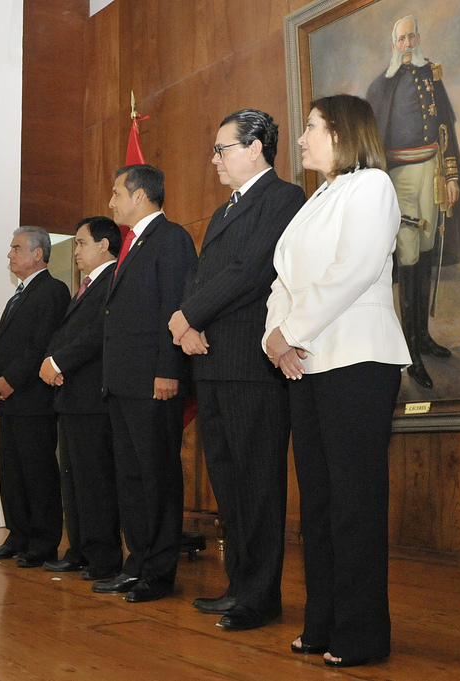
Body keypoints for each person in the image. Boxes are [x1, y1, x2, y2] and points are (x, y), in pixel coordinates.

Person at [264, 95, 410, 667]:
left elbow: (352, 271)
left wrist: (290, 331)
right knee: (319, 505)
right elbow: (282, 281)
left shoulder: (372, 187)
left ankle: (362, 634)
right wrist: (273, 338)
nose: (301, 140)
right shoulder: (313, 201)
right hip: (306, 363)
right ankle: (322, 623)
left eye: (311, 128)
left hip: (357, 362)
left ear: (344, 132)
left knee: (355, 504)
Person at [169, 109, 305, 630]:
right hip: (213, 363)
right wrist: (185, 326)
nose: (214, 159)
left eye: (221, 149)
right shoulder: (225, 209)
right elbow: (203, 275)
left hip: (253, 365)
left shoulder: (283, 197)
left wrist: (188, 316)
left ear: (255, 148)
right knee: (229, 483)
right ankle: (239, 584)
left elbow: (251, 271)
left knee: (258, 482)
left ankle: (261, 597)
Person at [94, 164, 197, 603]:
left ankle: (158, 572)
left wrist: (168, 370)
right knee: (131, 478)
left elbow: (174, 307)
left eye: (117, 193)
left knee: (157, 478)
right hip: (123, 383)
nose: (112, 202)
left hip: (154, 381)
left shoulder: (170, 238)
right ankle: (136, 564)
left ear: (139, 196)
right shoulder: (132, 246)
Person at [366, 14, 460, 390]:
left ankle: (423, 336)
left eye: (413, 36)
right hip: (400, 179)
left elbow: (445, 126)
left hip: (432, 173)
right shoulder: (381, 86)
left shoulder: (432, 75)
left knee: (426, 253)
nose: (409, 43)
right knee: (408, 257)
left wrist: (450, 175)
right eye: (402, 39)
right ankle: (411, 352)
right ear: (393, 44)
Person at [0, 226, 70, 568]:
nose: (9, 254)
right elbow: (3, 347)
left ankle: (43, 542)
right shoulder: (17, 295)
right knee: (13, 474)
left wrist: (12, 381)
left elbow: (42, 346)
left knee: (38, 473)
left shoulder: (53, 291)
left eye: (16, 248)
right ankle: (17, 535)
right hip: (11, 400)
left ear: (38, 254)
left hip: (35, 400)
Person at [39, 216, 122, 580]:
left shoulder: (113, 281)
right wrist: (52, 362)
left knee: (95, 481)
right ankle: (79, 549)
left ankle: (103, 557)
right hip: (71, 395)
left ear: (104, 245)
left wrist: (59, 361)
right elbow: (68, 332)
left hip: (93, 397)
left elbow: (97, 334)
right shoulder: (85, 286)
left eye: (81, 242)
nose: (75, 250)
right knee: (72, 481)